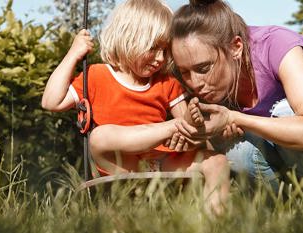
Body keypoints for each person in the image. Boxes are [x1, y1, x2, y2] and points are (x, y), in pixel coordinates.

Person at [167, 0, 303, 207]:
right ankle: (289, 216)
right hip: (300, 166)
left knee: (284, 112)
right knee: (238, 152)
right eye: (184, 72)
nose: (195, 82)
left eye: (203, 68)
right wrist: (214, 134)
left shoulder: (276, 45)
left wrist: (235, 118)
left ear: (235, 47)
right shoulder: (212, 82)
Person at [40, 0, 229, 214]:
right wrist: (73, 54)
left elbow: (187, 132)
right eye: (153, 48)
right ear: (129, 38)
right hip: (121, 165)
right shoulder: (96, 75)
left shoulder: (166, 82)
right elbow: (51, 102)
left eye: (165, 50)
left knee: (217, 161)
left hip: (162, 162)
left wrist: (193, 127)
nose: (160, 58)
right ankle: (168, 128)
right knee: (100, 136)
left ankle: (215, 223)